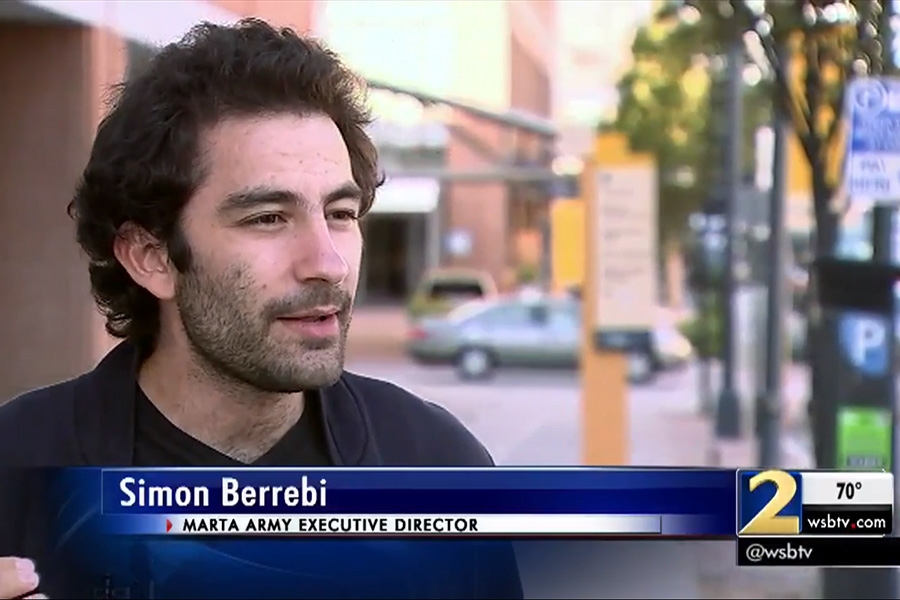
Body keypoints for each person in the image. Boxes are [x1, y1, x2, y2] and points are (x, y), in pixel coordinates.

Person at [0, 19, 522, 599]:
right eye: (268, 217)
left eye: (341, 214)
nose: (327, 262)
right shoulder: (17, 471)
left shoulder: (435, 466)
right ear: (152, 257)